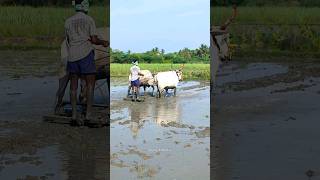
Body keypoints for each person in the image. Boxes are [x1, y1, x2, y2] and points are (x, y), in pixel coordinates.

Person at [65, 0, 109, 125]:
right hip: (86, 55)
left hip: (72, 56)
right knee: (90, 85)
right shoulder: (89, 20)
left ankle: (74, 116)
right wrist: (104, 43)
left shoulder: (68, 21)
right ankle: (88, 116)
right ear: (85, 7)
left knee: (73, 87)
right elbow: (94, 39)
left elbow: (68, 40)